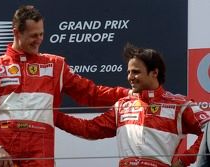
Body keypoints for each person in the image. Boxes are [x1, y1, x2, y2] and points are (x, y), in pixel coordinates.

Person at [0, 5, 129, 167]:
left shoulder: (55, 65)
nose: (39, 39)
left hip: (39, 151)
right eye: (33, 35)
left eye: (41, 34)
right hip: (3, 151)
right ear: (17, 33)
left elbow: (92, 93)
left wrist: (131, 94)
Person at [55, 43, 210, 167]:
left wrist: (184, 160)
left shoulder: (179, 105)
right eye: (128, 72)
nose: (130, 77)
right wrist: (53, 115)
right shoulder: (122, 106)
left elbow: (208, 128)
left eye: (135, 72)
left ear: (154, 73)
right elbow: (88, 129)